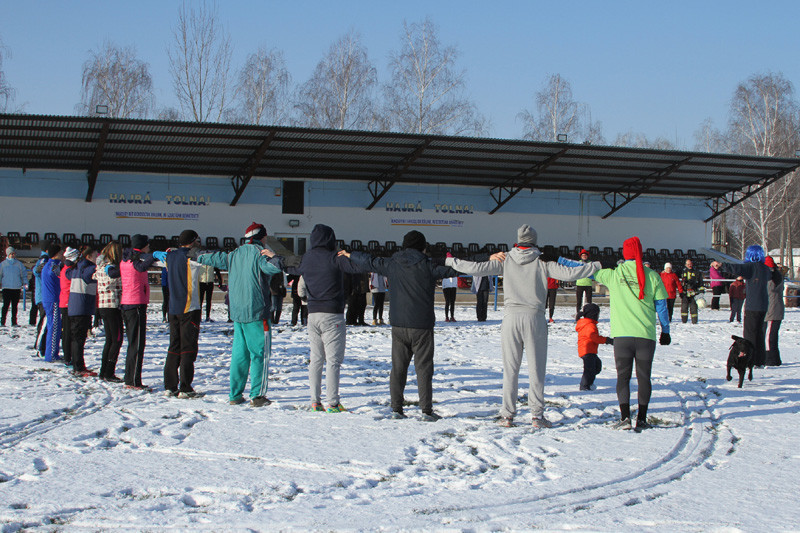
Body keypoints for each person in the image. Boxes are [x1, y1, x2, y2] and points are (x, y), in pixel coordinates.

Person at [446, 226, 600, 428]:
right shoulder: (542, 261)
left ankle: (507, 416)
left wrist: (450, 260)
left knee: (510, 369)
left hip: (510, 318)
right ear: (534, 241)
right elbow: (571, 273)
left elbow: (475, 268)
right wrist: (596, 265)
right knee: (536, 370)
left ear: (517, 240)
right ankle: (537, 416)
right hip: (534, 317)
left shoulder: (506, 259)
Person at [345, 230, 459, 422]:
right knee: (423, 369)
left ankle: (396, 409)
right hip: (421, 325)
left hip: (398, 324)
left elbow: (369, 261)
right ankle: (426, 411)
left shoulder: (391, 264)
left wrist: (350, 254)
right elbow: (459, 267)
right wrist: (488, 258)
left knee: (398, 368)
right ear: (423, 247)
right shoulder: (428, 265)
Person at [198, 222, 284, 407]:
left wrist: (194, 254)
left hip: (237, 312)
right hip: (257, 312)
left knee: (240, 355)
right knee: (259, 355)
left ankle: (235, 394)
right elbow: (275, 267)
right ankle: (257, 396)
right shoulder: (260, 254)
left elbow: (210, 258)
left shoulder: (233, 254)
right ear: (263, 237)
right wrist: (275, 256)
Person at [284, 224, 365, 413]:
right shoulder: (334, 258)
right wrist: (350, 255)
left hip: (312, 314)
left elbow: (291, 267)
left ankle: (315, 401)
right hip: (332, 315)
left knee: (316, 359)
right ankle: (333, 403)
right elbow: (356, 266)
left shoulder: (307, 258)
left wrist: (276, 259)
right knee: (333, 361)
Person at [594, 236, 670, 432]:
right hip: (646, 336)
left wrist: (561, 261)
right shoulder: (652, 276)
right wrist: (666, 331)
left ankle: (625, 417)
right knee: (644, 377)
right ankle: (642, 419)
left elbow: (588, 272)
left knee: (623, 377)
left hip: (622, 336)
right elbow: (662, 307)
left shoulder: (614, 274)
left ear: (624, 253)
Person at [720, 245, 782, 367]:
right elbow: (775, 277)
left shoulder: (751, 267)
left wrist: (722, 265)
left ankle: (751, 361)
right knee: (759, 334)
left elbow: (736, 268)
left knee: (750, 335)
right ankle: (760, 360)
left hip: (752, 306)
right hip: (764, 306)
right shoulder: (765, 269)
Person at [120, 235, 163, 390]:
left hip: (127, 302)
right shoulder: (136, 261)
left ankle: (130, 378)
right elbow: (141, 267)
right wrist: (153, 256)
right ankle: (133, 381)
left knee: (133, 343)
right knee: (137, 344)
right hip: (136, 303)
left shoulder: (126, 259)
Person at [165, 230, 204, 398]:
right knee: (188, 348)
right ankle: (185, 386)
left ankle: (170, 385)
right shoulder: (191, 257)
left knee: (174, 347)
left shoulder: (170, 256)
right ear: (193, 241)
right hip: (189, 307)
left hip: (173, 307)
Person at [66, 246, 100, 377]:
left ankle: (77, 365)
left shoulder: (76, 268)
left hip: (75, 307)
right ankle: (79, 367)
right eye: (95, 255)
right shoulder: (88, 268)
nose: (97, 258)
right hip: (82, 308)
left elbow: (66, 273)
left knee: (76, 339)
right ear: (88, 256)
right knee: (79, 339)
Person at [94, 242, 124, 382]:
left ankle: (103, 370)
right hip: (112, 305)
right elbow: (113, 278)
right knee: (116, 339)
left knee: (110, 339)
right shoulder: (110, 268)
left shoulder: (100, 267)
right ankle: (109, 371)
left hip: (103, 305)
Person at [575, 303, 611, 391]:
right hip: (587, 350)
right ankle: (585, 386)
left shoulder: (588, 323)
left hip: (589, 350)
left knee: (596, 367)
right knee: (589, 370)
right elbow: (594, 338)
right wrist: (607, 340)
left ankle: (588, 383)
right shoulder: (589, 325)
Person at [40, 243, 64, 362]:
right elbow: (60, 277)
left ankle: (51, 353)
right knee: (54, 327)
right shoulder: (54, 266)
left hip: (49, 298)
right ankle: (51, 354)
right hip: (53, 299)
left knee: (53, 325)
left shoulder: (48, 265)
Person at [59, 247, 80, 367]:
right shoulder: (68, 270)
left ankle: (68, 355)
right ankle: (68, 356)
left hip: (66, 301)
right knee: (68, 332)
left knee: (68, 331)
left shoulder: (66, 269)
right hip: (67, 302)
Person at [764, 257, 785, 367]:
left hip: (772, 310)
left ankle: (770, 359)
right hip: (776, 309)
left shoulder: (770, 278)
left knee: (769, 337)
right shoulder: (778, 275)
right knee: (773, 336)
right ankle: (776, 359)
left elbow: (768, 291)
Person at [1, 246, 27, 327]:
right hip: (6, 288)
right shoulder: (3, 264)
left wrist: (25, 283)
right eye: (11, 254)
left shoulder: (19, 264)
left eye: (13, 253)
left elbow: (23, 275)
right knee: (5, 306)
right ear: (7, 254)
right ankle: (2, 321)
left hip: (16, 288)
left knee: (14, 306)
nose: (12, 255)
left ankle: (14, 322)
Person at [32, 242, 51, 356]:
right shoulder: (44, 259)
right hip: (43, 296)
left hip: (43, 295)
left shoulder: (45, 258)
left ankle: (41, 344)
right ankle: (39, 344)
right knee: (44, 321)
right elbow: (36, 270)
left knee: (45, 321)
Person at [679, 258, 704, 324]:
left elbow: (701, 282)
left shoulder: (697, 272)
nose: (690, 265)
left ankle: (694, 321)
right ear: (685, 265)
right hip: (685, 293)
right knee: (684, 307)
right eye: (688, 264)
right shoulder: (682, 272)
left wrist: (701, 291)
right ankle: (684, 321)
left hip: (694, 293)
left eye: (691, 264)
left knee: (693, 307)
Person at [574, 249, 593, 318]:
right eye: (583, 255)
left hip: (588, 283)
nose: (584, 256)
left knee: (589, 301)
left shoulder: (590, 263)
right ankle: (578, 314)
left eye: (585, 255)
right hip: (580, 283)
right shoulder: (578, 263)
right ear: (581, 256)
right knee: (579, 301)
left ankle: (589, 314)